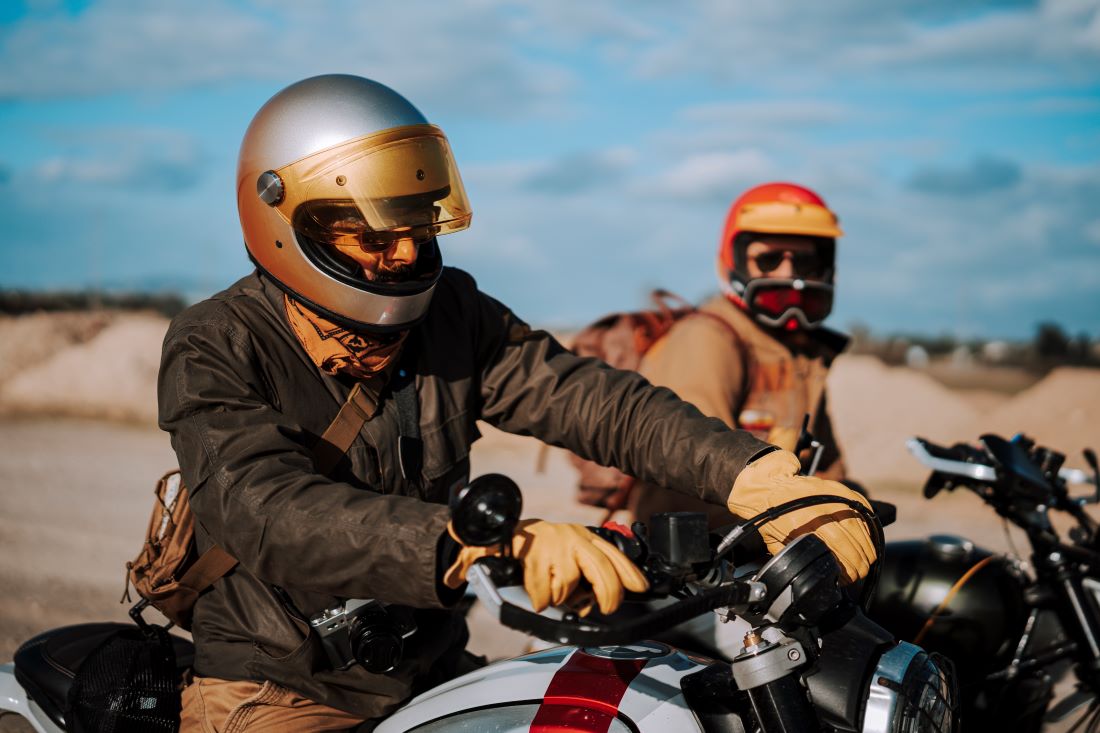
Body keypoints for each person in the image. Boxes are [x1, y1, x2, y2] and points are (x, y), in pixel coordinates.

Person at [158, 75, 874, 731]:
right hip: (279, 688)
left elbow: (592, 400)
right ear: (286, 219)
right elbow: (263, 507)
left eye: (416, 220)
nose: (406, 253)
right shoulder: (215, 342)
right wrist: (478, 539)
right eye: (376, 231)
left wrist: (755, 476)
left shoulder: (450, 312)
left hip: (431, 670)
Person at [627, 182, 853, 531]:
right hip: (704, 559)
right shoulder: (708, 338)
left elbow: (827, 469)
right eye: (768, 259)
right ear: (735, 261)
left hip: (779, 555)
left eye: (805, 261)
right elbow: (691, 472)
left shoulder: (802, 353)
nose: (787, 274)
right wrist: (798, 525)